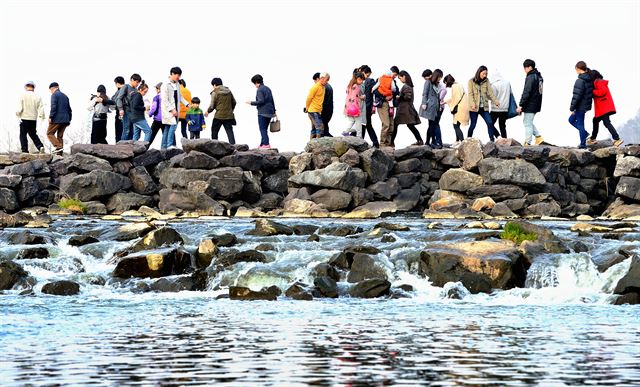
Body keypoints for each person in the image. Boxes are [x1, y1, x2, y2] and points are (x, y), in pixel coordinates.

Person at [588, 70, 623, 147]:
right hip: (603, 108)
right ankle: (593, 138)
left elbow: (602, 91)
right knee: (596, 120)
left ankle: (617, 139)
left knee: (606, 122)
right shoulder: (597, 82)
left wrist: (593, 92)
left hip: (604, 107)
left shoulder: (599, 82)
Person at [468, 65, 500, 142]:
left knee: (489, 123)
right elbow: (470, 94)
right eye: (483, 74)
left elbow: (490, 93)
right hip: (474, 108)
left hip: (484, 107)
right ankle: (468, 140)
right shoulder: (471, 81)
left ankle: (492, 141)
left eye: (486, 74)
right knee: (473, 125)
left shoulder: (487, 81)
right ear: (479, 72)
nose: (485, 75)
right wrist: (472, 104)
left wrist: (496, 101)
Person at [516, 59, 544, 146]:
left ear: (529, 67)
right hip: (536, 103)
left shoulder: (531, 77)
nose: (524, 70)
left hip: (530, 104)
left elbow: (526, 92)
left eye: (525, 68)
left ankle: (527, 142)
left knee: (527, 123)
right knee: (528, 121)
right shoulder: (539, 77)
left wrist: (521, 105)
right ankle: (538, 137)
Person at [246, 74, 276, 149]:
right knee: (264, 129)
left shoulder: (259, 90)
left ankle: (266, 144)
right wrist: (274, 111)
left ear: (256, 82)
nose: (254, 85)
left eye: (254, 83)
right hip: (270, 112)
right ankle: (262, 144)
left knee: (262, 129)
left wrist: (251, 102)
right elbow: (272, 100)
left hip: (263, 112)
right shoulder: (268, 88)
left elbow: (261, 101)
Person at [394, 70, 423, 146]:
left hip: (404, 110)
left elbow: (407, 97)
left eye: (400, 78)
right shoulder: (409, 86)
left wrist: (399, 97)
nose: (400, 80)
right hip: (406, 109)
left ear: (404, 76)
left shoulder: (406, 86)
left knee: (395, 124)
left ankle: (391, 142)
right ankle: (419, 140)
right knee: (410, 125)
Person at [569, 61, 594, 149]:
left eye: (576, 69)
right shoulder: (589, 79)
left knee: (580, 124)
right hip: (584, 106)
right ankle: (585, 133)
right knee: (571, 120)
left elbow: (576, 96)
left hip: (580, 106)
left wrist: (572, 108)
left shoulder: (580, 81)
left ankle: (583, 144)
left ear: (578, 69)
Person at [16, 81, 45, 153]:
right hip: (33, 119)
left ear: (26, 87)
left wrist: (17, 114)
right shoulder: (38, 96)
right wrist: (41, 117)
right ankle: (40, 146)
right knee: (33, 134)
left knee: (23, 135)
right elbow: (41, 108)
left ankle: (25, 150)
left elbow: (20, 108)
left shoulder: (22, 95)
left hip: (24, 118)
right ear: (33, 87)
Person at [206, 77, 237, 144]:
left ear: (214, 85)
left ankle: (215, 146)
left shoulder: (215, 92)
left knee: (214, 131)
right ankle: (234, 146)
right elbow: (234, 102)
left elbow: (212, 106)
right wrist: (230, 110)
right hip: (229, 116)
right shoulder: (228, 91)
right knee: (229, 132)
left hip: (218, 116)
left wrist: (207, 111)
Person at [160, 67, 183, 149]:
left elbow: (180, 97)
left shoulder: (177, 84)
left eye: (179, 75)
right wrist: (172, 109)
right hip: (168, 110)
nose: (178, 77)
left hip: (176, 109)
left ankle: (163, 147)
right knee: (173, 125)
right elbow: (164, 99)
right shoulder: (165, 85)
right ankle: (169, 145)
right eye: (177, 74)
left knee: (167, 128)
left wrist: (187, 104)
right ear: (172, 74)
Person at [374, 67, 398, 147]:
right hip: (382, 104)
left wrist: (392, 95)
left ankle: (388, 143)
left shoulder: (393, 81)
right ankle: (382, 144)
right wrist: (384, 97)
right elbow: (375, 91)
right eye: (394, 75)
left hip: (390, 105)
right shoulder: (380, 79)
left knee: (391, 126)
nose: (395, 77)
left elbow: (396, 91)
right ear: (391, 72)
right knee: (386, 124)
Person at [443, 74, 469, 146]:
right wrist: (445, 101)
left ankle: (463, 142)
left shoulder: (455, 86)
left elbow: (456, 99)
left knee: (456, 126)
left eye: (445, 82)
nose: (445, 84)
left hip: (460, 108)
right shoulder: (459, 85)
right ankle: (457, 141)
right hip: (463, 106)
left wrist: (450, 104)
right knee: (457, 124)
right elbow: (455, 97)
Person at [420, 69, 443, 148]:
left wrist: (439, 106)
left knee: (431, 125)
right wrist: (424, 103)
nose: (440, 79)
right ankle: (433, 141)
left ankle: (428, 141)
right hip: (429, 106)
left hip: (435, 107)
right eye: (439, 77)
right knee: (432, 124)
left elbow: (437, 96)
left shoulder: (435, 84)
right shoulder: (428, 82)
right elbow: (425, 93)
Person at [47, 82, 71, 154]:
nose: (51, 92)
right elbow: (69, 109)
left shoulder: (54, 95)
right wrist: (69, 119)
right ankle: (60, 154)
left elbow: (53, 106)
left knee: (49, 133)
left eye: (51, 90)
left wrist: (51, 116)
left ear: (53, 88)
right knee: (60, 136)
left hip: (57, 119)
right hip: (66, 119)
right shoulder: (65, 96)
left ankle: (58, 146)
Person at [116, 73, 142, 141]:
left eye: (139, 83)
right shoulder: (126, 87)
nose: (137, 84)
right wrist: (121, 109)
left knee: (133, 130)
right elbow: (119, 99)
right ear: (132, 80)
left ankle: (130, 146)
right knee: (126, 129)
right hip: (126, 111)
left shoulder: (136, 90)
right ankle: (122, 146)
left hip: (134, 112)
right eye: (137, 82)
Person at [359, 65, 379, 147]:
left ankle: (364, 141)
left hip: (367, 106)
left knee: (365, 124)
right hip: (361, 106)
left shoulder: (370, 81)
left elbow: (376, 89)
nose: (367, 76)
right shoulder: (359, 81)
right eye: (367, 74)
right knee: (364, 124)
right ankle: (374, 142)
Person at [489, 70, 511, 139]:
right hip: (505, 108)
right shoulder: (507, 83)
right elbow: (511, 94)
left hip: (495, 109)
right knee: (502, 126)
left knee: (489, 124)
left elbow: (492, 97)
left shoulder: (494, 85)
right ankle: (505, 140)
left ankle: (498, 136)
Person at [343, 71, 365, 137]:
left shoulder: (349, 85)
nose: (362, 82)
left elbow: (352, 96)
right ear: (357, 78)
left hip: (348, 107)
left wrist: (359, 97)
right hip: (354, 107)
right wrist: (357, 108)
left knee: (351, 121)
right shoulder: (356, 86)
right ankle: (359, 137)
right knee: (359, 123)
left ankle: (346, 132)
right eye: (361, 80)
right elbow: (354, 98)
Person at [306, 72, 327, 140]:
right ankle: (317, 145)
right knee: (320, 127)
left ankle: (311, 144)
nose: (327, 82)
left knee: (314, 128)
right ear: (321, 78)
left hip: (317, 110)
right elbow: (309, 98)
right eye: (326, 80)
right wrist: (307, 107)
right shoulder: (315, 87)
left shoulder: (323, 87)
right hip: (313, 110)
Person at [112, 76, 125, 142]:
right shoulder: (127, 89)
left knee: (119, 131)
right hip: (126, 113)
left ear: (117, 83)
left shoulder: (120, 91)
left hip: (120, 113)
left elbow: (114, 100)